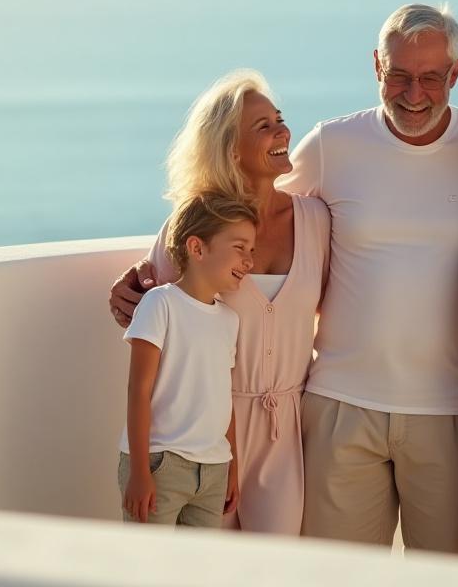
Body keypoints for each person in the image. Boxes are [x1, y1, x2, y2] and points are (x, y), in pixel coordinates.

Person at [276, 4, 458, 552]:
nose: (414, 93)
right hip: (340, 404)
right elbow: (249, 210)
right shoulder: (332, 145)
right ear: (377, 66)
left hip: (452, 411)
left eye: (430, 77)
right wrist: (158, 263)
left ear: (456, 73)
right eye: (399, 74)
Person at [110, 70, 331, 534]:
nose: (282, 132)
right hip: (204, 434)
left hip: (286, 432)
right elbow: (153, 300)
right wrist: (125, 288)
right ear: (232, 151)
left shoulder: (317, 221)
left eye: (279, 119)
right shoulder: (194, 229)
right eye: (263, 127)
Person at [119, 191, 256, 527]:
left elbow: (224, 398)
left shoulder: (229, 320)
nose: (249, 261)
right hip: (160, 464)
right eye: (239, 248)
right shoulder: (160, 304)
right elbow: (139, 391)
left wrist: (232, 467)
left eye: (251, 250)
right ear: (197, 248)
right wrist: (139, 472)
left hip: (213, 472)